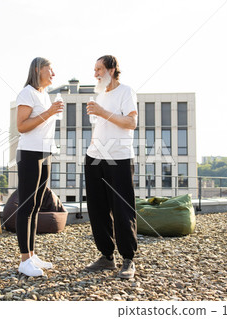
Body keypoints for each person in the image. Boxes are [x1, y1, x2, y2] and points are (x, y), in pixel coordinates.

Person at [84, 55, 138, 279]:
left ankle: (128, 259)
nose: (95, 73)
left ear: (112, 69)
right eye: (94, 69)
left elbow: (131, 123)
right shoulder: (99, 94)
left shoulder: (126, 92)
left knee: (121, 209)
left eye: (99, 69)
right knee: (97, 209)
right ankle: (107, 257)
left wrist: (102, 112)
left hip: (119, 157)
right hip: (95, 157)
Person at [15, 57, 63, 277]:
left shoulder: (44, 95)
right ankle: (24, 260)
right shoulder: (27, 93)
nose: (53, 73)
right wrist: (50, 112)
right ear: (37, 70)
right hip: (29, 153)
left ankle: (32, 255)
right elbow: (22, 126)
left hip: (45, 154)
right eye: (49, 69)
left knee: (36, 206)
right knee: (26, 206)